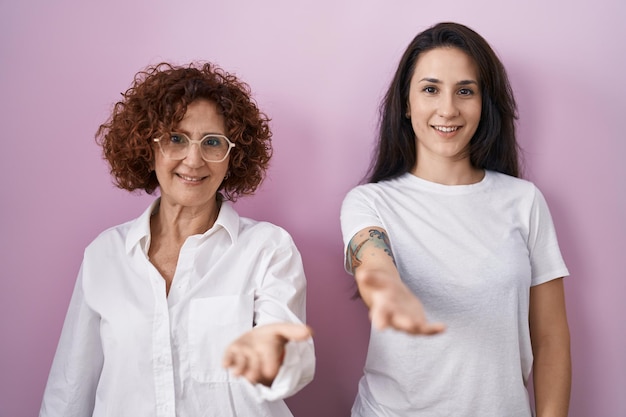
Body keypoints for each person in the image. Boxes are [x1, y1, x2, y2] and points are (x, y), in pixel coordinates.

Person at [40, 62, 315, 417]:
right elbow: (69, 391)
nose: (194, 159)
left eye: (213, 142)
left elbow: (291, 361)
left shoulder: (267, 248)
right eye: (175, 139)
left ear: (232, 157)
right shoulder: (104, 256)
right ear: (147, 147)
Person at [340, 22, 571, 417]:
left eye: (465, 91)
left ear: (484, 103)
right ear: (407, 102)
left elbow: (549, 338)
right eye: (430, 89)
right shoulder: (370, 201)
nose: (448, 109)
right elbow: (372, 257)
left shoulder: (524, 201)